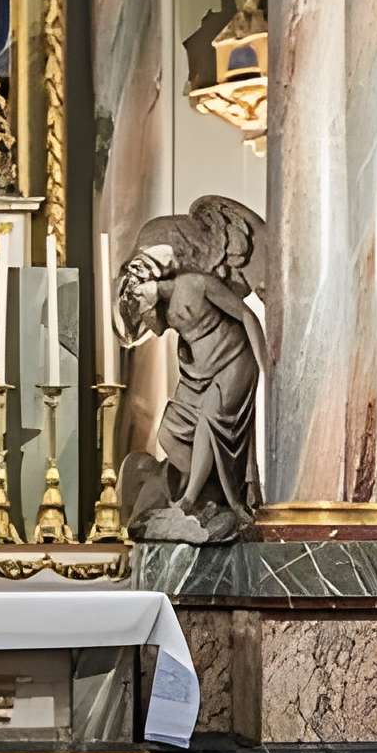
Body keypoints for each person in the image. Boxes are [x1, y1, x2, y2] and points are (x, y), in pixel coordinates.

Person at [116, 199, 267, 544]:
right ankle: (205, 496)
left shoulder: (197, 284)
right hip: (199, 372)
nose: (139, 302)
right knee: (169, 432)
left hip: (234, 361)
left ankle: (190, 498)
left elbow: (246, 316)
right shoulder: (162, 309)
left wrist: (264, 362)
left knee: (210, 421)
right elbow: (136, 330)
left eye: (139, 293)